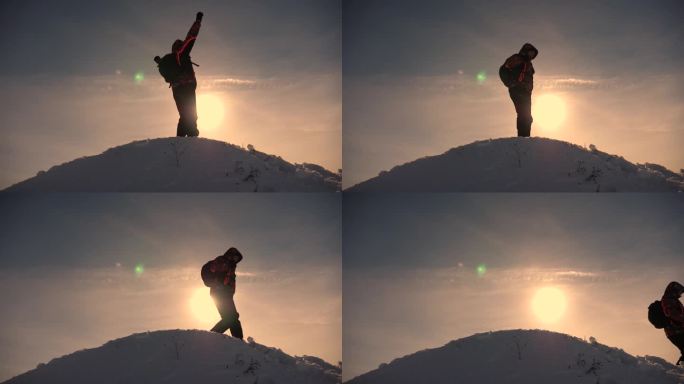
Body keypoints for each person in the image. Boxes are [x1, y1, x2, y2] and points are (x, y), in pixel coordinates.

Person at [156, 12, 203, 137]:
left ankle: (181, 140)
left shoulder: (169, 58)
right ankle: (192, 136)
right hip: (187, 85)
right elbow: (191, 36)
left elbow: (166, 74)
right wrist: (198, 21)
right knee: (191, 113)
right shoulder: (182, 53)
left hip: (176, 88)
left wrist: (160, 62)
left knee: (183, 113)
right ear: (180, 46)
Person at [202, 247, 244, 339]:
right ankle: (211, 337)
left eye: (237, 259)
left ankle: (238, 341)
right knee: (232, 318)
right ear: (230, 255)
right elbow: (210, 269)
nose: (235, 260)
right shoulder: (222, 261)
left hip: (225, 294)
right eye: (235, 257)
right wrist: (216, 283)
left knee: (231, 319)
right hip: (219, 293)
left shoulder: (230, 266)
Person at [500, 43, 539, 137]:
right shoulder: (518, 58)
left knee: (528, 117)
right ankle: (522, 138)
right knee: (523, 114)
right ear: (525, 51)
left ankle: (526, 138)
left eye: (533, 54)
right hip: (517, 89)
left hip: (526, 92)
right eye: (530, 52)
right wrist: (511, 82)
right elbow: (503, 69)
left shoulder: (529, 64)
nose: (532, 55)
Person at [662, 281, 684, 365]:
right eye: (679, 291)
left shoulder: (674, 300)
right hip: (674, 331)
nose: (680, 294)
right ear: (674, 290)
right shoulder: (668, 299)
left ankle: (679, 369)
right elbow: (672, 314)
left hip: (678, 330)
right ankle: (678, 369)